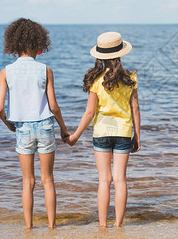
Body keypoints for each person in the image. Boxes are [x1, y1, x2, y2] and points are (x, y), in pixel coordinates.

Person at [0, 18, 70, 229]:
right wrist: (64, 129)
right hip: (45, 125)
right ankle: (51, 227)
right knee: (48, 180)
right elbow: (54, 106)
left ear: (14, 44)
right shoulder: (45, 70)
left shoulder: (6, 72)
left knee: (28, 182)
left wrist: (9, 124)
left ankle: (28, 227)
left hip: (23, 128)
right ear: (39, 42)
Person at [65, 31, 141, 228]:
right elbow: (135, 108)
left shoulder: (96, 80)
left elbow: (89, 113)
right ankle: (118, 225)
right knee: (120, 180)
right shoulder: (130, 78)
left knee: (104, 180)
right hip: (123, 133)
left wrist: (75, 136)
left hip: (101, 134)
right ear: (121, 54)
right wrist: (137, 136)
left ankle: (102, 225)